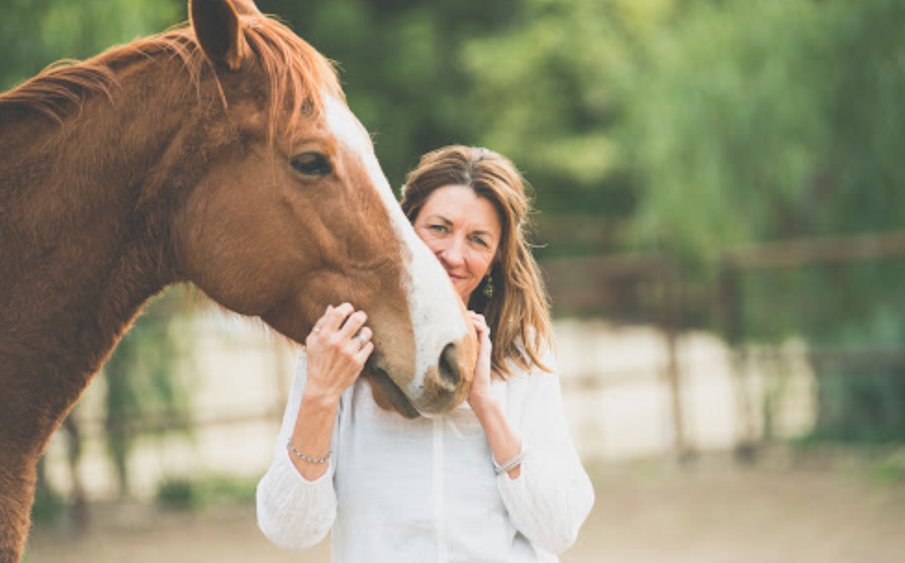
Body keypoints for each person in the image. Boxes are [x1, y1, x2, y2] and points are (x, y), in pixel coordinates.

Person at [256, 145, 594, 562]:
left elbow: (559, 528)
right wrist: (321, 394)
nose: (454, 255)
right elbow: (290, 529)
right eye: (439, 228)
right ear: (403, 227)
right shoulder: (341, 346)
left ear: (494, 259)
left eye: (478, 240)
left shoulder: (521, 351)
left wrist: (488, 406)